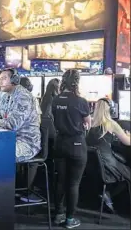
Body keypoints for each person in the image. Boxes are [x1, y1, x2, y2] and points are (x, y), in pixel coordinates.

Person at [52, 69, 91, 229]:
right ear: (77, 81)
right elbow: (88, 123)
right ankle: (69, 220)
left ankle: (58, 214)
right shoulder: (81, 101)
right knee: (73, 183)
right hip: (76, 145)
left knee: (60, 181)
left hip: (59, 143)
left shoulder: (55, 100)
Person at [86, 98, 130, 212]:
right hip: (109, 165)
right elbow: (128, 142)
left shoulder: (91, 126)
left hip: (95, 168)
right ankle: (111, 197)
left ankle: (106, 194)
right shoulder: (111, 124)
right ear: (110, 110)